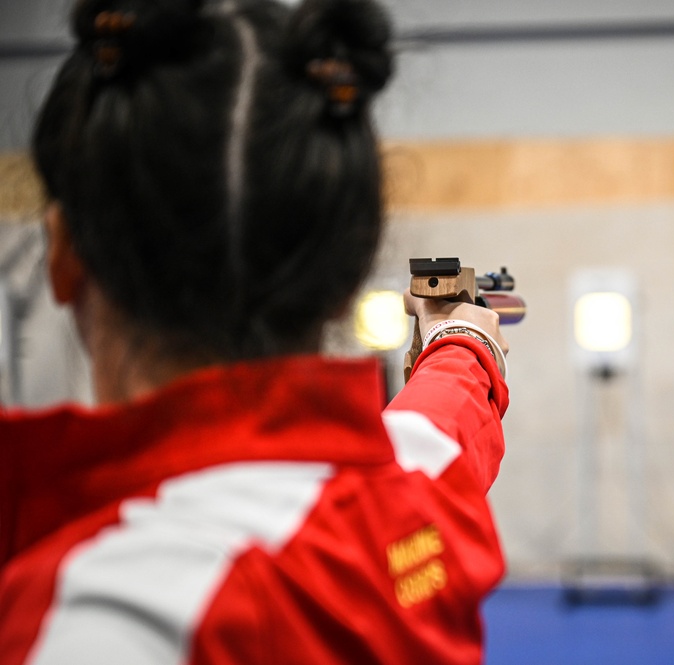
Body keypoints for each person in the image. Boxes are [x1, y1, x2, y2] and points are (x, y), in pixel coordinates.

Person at [0, 0, 510, 663]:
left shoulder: (91, 617)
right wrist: (465, 335)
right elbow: (446, 413)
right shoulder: (417, 483)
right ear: (343, 278)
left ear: (64, 256)